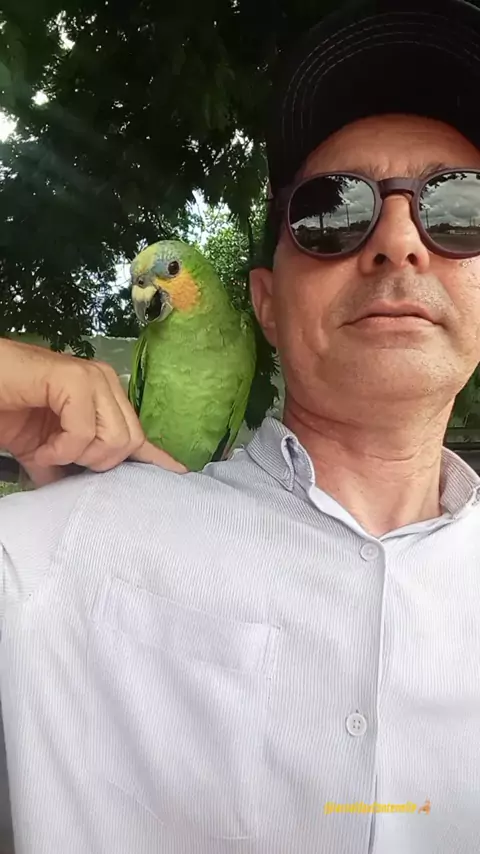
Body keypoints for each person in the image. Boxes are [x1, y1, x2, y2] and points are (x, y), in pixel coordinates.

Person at [2, 0, 480, 850]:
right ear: (266, 303)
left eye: (459, 207)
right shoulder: (58, 552)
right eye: (333, 212)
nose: (399, 243)